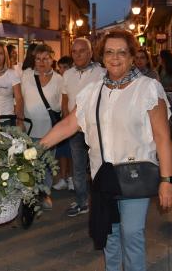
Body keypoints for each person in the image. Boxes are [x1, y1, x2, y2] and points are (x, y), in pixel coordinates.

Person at [39, 29, 172, 271]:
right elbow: (68, 124)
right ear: (102, 57)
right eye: (110, 52)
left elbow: (163, 137)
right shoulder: (93, 92)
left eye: (122, 52)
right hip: (103, 177)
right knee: (109, 235)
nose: (115, 58)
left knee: (132, 234)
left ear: (132, 56)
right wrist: (35, 149)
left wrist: (167, 180)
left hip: (136, 175)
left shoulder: (148, 88)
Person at [62, 37, 106, 217]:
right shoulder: (67, 74)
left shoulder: (102, 72)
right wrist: (67, 120)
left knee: (100, 166)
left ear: (90, 53)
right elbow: (64, 99)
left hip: (96, 129)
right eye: (74, 51)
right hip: (75, 130)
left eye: (82, 51)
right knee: (78, 167)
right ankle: (82, 202)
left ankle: (102, 202)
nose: (78, 54)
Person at [21, 44, 62, 209]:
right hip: (29, 129)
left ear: (52, 59)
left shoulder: (60, 79)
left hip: (50, 130)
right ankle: (30, 195)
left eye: (45, 58)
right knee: (29, 164)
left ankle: (45, 194)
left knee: (46, 164)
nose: (41, 62)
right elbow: (20, 99)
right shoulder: (26, 75)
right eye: (38, 58)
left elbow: (61, 105)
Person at [52, 55, 74, 191]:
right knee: (62, 152)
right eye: (60, 68)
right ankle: (63, 178)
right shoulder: (57, 80)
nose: (62, 70)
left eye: (65, 67)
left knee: (72, 152)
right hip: (60, 118)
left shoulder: (72, 80)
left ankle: (71, 178)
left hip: (72, 119)